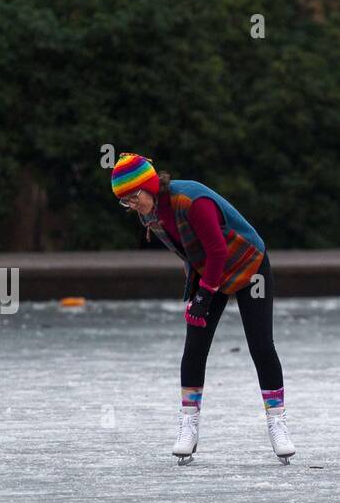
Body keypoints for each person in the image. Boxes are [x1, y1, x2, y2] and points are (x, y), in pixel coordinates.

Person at [110, 152, 294, 464]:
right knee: (194, 347)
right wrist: (195, 289)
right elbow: (188, 250)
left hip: (248, 265)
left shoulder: (192, 201)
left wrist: (204, 295)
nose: (131, 206)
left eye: (133, 197)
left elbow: (217, 250)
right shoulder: (150, 213)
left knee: (261, 346)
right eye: (124, 201)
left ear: (149, 186)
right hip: (208, 270)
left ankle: (277, 422)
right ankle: (189, 425)